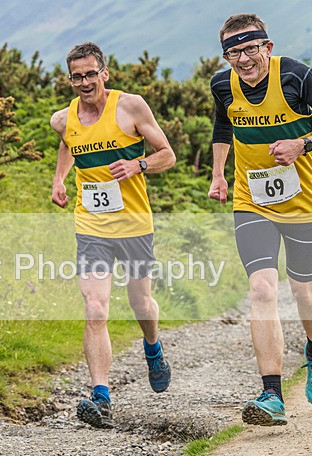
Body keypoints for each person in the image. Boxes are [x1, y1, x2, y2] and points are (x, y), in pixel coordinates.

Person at [208, 13, 312, 426]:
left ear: (267, 47)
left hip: (301, 201)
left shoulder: (299, 77)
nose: (243, 59)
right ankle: (271, 393)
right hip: (250, 199)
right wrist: (219, 173)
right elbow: (223, 123)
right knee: (262, 289)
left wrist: (304, 144)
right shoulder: (222, 84)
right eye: (233, 52)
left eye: (251, 49)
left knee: (304, 289)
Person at [50, 42, 176, 429]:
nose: (85, 82)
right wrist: (59, 178)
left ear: (104, 73)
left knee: (141, 303)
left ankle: (152, 348)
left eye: (91, 74)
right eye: (77, 76)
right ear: (69, 80)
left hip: (134, 223)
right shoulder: (62, 118)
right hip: (91, 225)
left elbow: (167, 155)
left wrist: (138, 164)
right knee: (95, 307)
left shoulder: (131, 106)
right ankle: (101, 396)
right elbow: (69, 143)